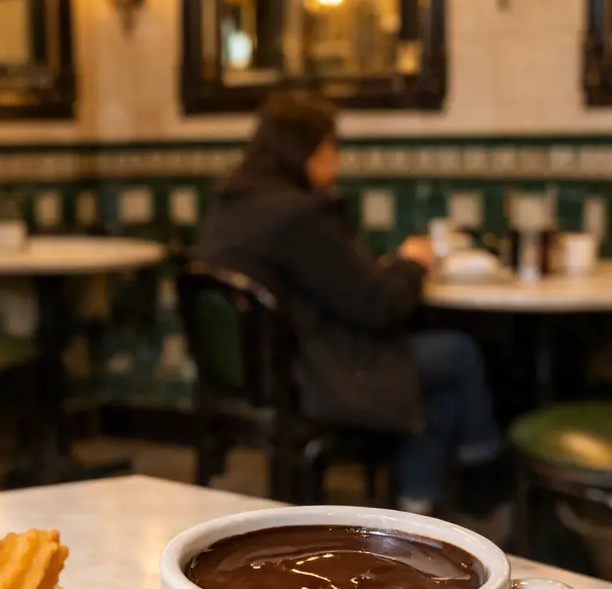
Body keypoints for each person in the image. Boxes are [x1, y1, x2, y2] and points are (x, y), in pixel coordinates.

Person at [194, 90, 505, 516]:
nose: (335, 160)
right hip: (316, 375)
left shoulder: (231, 202)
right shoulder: (298, 215)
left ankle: (421, 502)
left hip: (259, 374)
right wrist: (413, 264)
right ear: (311, 151)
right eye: (332, 148)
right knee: (459, 354)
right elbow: (380, 306)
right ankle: (483, 480)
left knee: (437, 396)